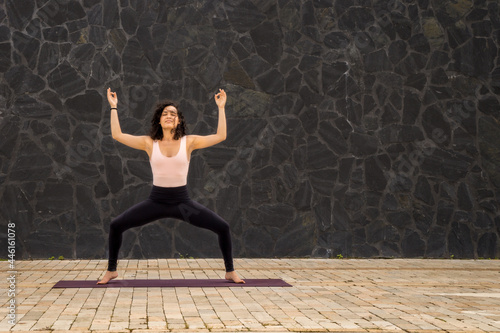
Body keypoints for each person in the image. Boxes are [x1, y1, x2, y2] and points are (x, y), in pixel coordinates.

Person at [97, 87, 245, 284]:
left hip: (182, 204)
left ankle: (230, 271)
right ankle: (112, 270)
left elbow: (220, 136)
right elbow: (117, 135)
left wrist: (221, 107)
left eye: (173, 114)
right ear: (159, 120)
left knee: (223, 227)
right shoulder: (150, 143)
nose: (169, 116)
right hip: (156, 202)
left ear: (179, 121)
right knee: (116, 225)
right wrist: (113, 107)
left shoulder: (189, 142)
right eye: (165, 113)